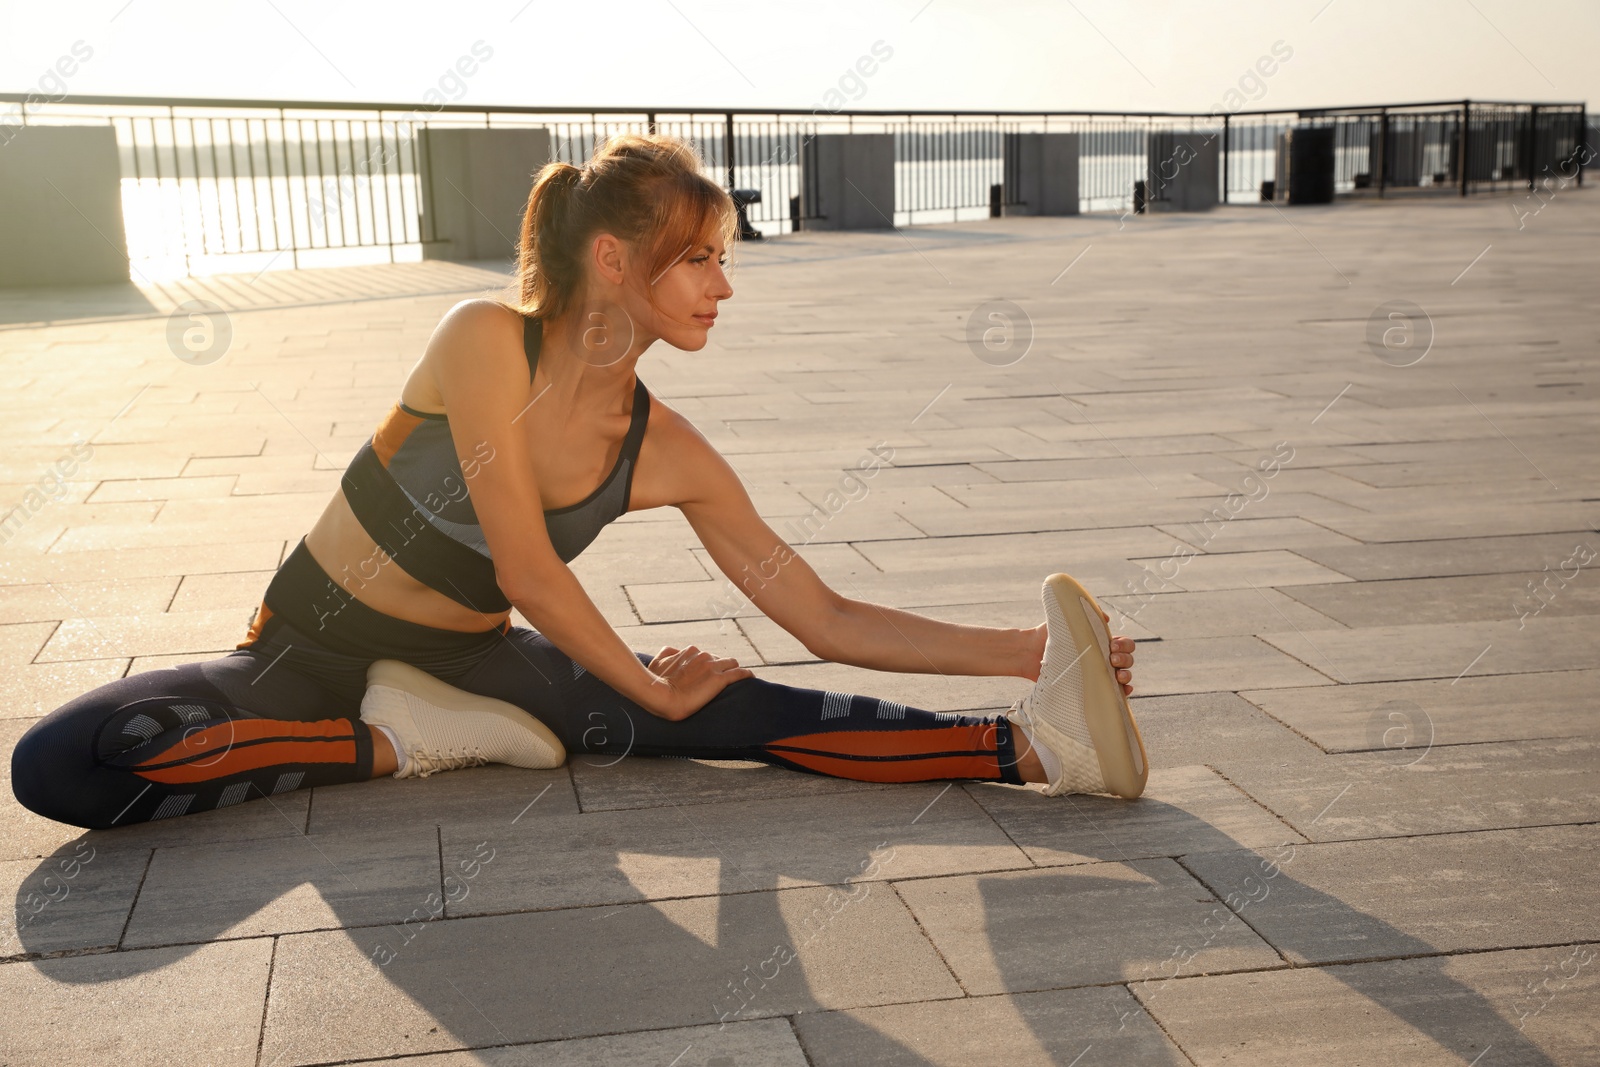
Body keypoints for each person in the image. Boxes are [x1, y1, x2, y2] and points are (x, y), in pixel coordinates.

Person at [10, 133, 1144, 831]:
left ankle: (1037, 747)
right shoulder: (482, 340)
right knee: (69, 763)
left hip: (475, 662)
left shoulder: (670, 450)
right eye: (698, 258)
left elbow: (822, 615)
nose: (721, 287)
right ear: (612, 260)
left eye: (723, 260)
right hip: (306, 651)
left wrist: (1040, 651)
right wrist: (644, 688)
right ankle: (399, 742)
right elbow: (525, 566)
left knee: (735, 708)